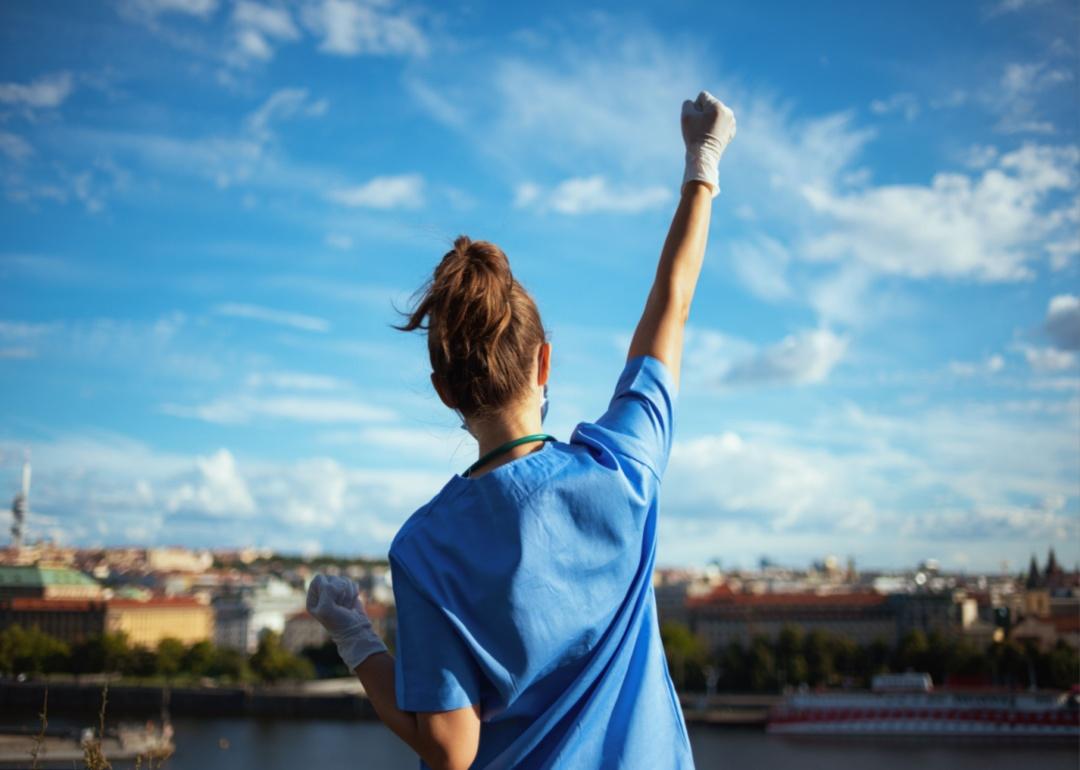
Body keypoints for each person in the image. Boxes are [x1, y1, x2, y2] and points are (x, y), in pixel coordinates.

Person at [307, 90, 736, 770]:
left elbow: (452, 750)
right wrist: (701, 162)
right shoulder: (620, 469)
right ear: (544, 361)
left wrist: (354, 636)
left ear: (445, 390)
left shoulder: (425, 548)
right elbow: (671, 306)